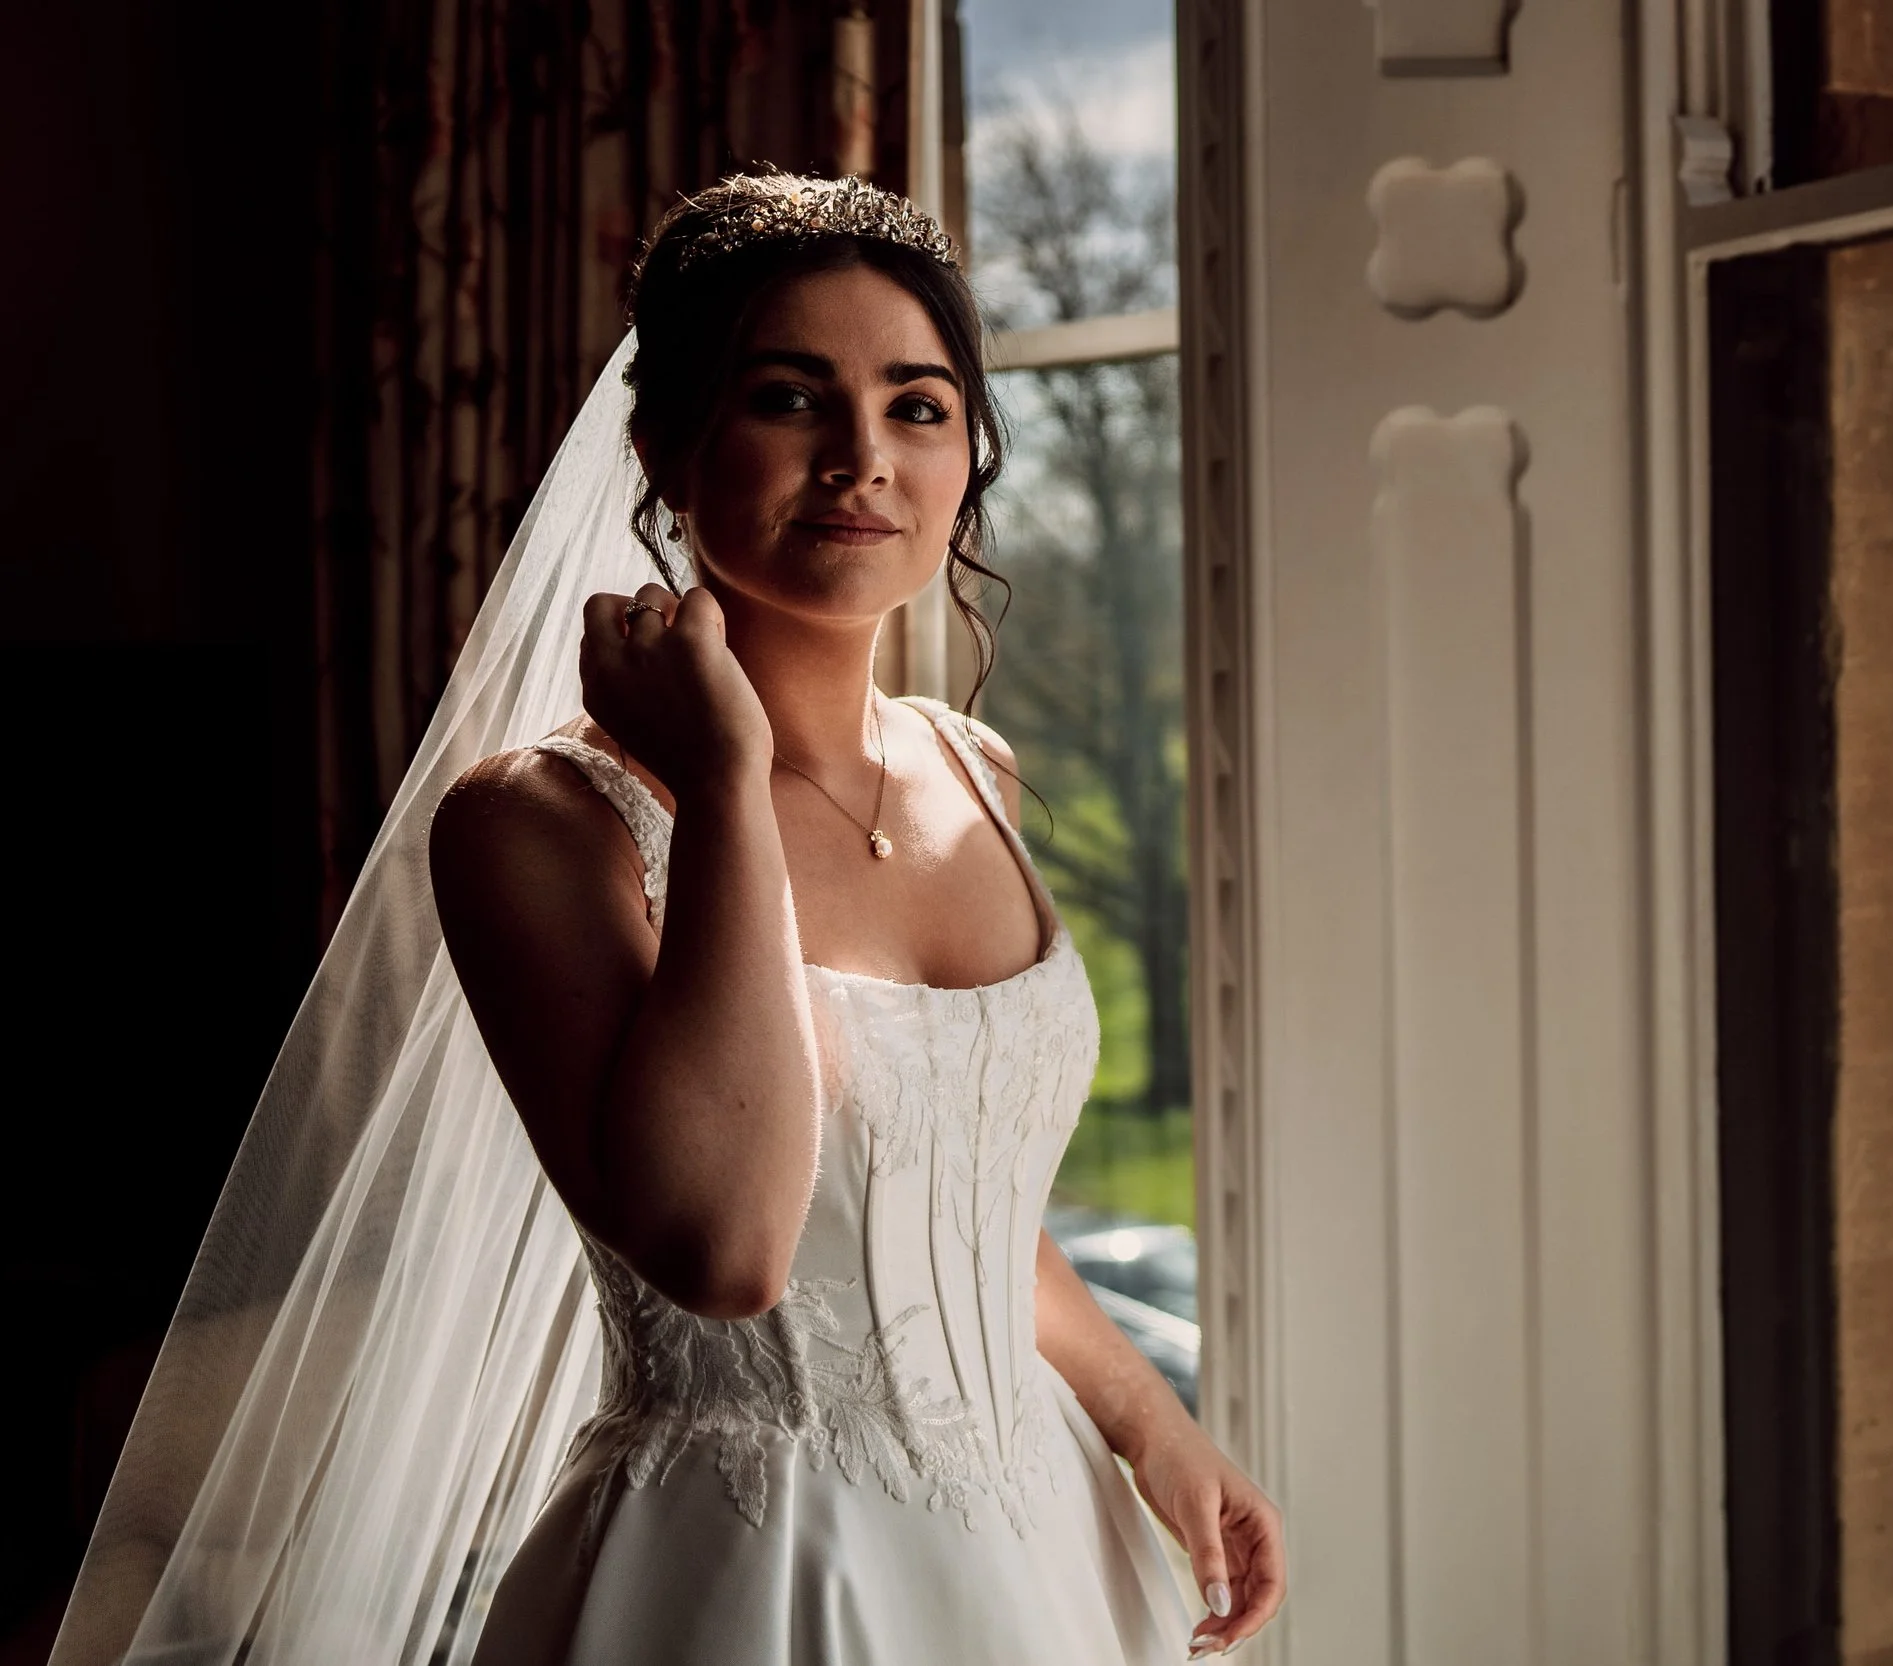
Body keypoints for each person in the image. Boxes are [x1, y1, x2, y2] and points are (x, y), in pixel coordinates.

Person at [49, 173, 1280, 1666]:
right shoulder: (535, 828)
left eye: (918, 405)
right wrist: (726, 777)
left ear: (970, 453)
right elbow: (733, 1243)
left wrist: (1153, 1418)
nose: (861, 461)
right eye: (790, 397)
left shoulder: (976, 770)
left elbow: (962, 1197)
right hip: (762, 1574)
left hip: (1051, 1553)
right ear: (666, 449)